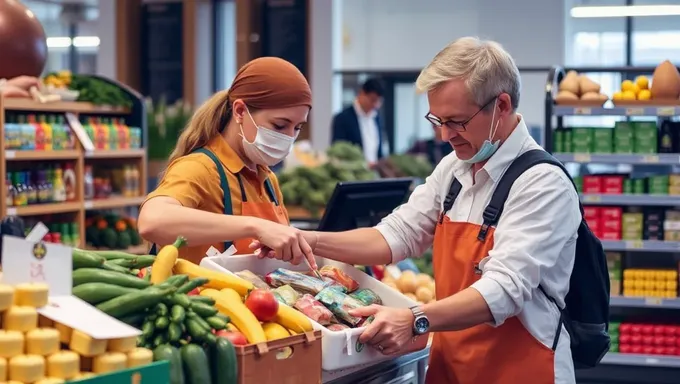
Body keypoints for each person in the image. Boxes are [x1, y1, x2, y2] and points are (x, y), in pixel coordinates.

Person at [254, 37, 579, 383]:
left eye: (456, 121)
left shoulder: (542, 184)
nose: (443, 135)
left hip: (521, 372)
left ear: (501, 105)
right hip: (451, 368)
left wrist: (413, 319)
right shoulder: (453, 169)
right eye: (436, 120)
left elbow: (504, 290)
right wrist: (306, 240)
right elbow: (394, 236)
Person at [138, 57, 316, 266]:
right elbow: (152, 221)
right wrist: (254, 226)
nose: (288, 137)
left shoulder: (268, 180)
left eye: (297, 128)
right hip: (198, 297)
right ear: (240, 111)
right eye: (279, 126)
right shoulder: (200, 168)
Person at [331, 78, 387, 166]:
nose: (375, 105)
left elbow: (379, 152)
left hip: (375, 175)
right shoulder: (342, 118)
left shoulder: (377, 118)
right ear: (362, 93)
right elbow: (338, 151)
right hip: (354, 175)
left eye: (379, 101)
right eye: (372, 100)